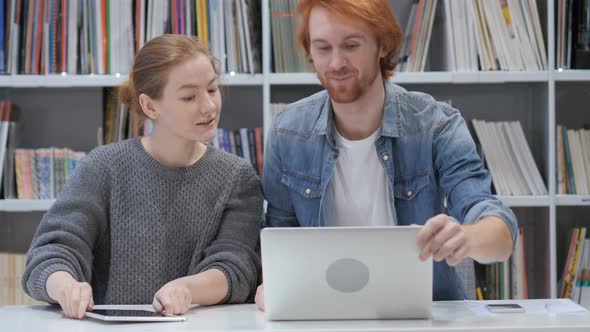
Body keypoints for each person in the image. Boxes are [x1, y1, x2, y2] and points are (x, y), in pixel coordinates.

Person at [255, 0, 517, 309]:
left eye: (351, 45)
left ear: (382, 44)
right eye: (323, 48)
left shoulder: (436, 125)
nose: (336, 62)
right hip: (323, 314)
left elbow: (499, 233)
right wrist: (272, 284)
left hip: (423, 315)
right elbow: (279, 241)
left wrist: (467, 237)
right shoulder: (288, 133)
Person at [22, 34, 263, 319]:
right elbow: (52, 251)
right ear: (150, 106)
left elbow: (237, 267)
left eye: (212, 89)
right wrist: (65, 286)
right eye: (189, 97)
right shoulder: (104, 167)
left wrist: (187, 289)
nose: (209, 106)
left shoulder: (237, 177)